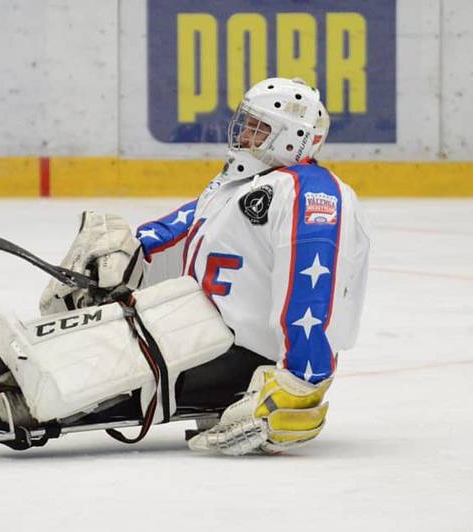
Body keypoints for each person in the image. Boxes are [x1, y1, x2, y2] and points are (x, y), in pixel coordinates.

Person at [38, 77, 370, 455]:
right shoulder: (236, 184)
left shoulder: (311, 192)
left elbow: (311, 288)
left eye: (258, 127)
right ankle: (24, 372)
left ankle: (24, 393)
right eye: (246, 123)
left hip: (245, 356)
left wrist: (298, 381)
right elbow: (177, 232)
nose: (245, 133)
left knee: (87, 377)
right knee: (97, 342)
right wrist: (124, 255)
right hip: (195, 327)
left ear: (292, 138)